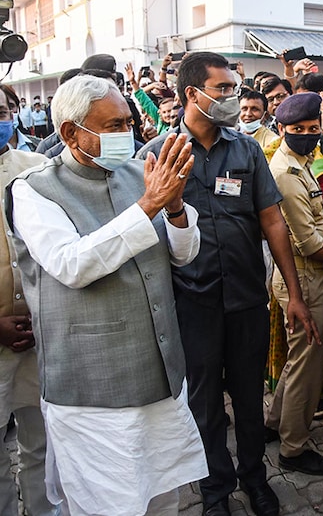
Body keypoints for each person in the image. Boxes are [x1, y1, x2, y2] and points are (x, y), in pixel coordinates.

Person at [8, 74, 207, 515]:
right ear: (70, 133)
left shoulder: (141, 172)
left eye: (128, 123)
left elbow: (184, 253)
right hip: (92, 391)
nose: (127, 134)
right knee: (106, 504)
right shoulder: (35, 189)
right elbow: (71, 265)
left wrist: (174, 208)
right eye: (113, 126)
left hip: (158, 375)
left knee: (162, 499)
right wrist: (151, 205)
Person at [137, 51, 317, 516]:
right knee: (204, 404)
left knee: (249, 398)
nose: (233, 97)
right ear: (193, 94)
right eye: (224, 89)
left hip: (246, 298)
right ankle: (214, 490)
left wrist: (294, 294)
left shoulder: (247, 149)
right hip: (189, 303)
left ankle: (255, 479)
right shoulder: (158, 154)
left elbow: (273, 221)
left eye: (234, 88)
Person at [263, 92, 323, 476]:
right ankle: (293, 448)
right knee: (307, 366)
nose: (308, 135)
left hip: (303, 278)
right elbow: (309, 244)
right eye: (298, 130)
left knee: (298, 360)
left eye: (312, 129)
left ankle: (275, 424)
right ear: (282, 129)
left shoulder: (298, 161)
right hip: (306, 281)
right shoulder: (286, 175)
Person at [0, 85, 57, 516]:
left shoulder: (37, 169)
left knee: (41, 445)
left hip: (41, 337)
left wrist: (45, 315)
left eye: (1, 110)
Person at [238, 89, 277, 155]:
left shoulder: (273, 141)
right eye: (244, 109)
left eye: (254, 109)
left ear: (265, 115)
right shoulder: (230, 136)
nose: (248, 114)